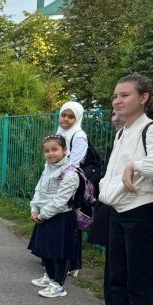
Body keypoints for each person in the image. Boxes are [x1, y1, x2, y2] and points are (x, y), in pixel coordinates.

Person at [96, 74, 153, 305]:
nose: (117, 101)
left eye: (124, 95)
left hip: (142, 214)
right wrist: (104, 190)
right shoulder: (123, 131)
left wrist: (136, 165)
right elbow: (113, 170)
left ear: (143, 98)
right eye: (115, 96)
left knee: (140, 282)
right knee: (118, 278)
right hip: (119, 212)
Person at [28, 135, 79, 299]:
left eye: (55, 149)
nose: (50, 154)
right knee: (44, 250)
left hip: (60, 217)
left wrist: (43, 214)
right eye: (46, 151)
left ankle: (58, 284)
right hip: (43, 215)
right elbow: (39, 189)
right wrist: (34, 208)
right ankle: (50, 277)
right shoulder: (48, 167)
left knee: (59, 252)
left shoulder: (70, 173)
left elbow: (60, 201)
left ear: (65, 150)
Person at [88, 111, 126, 305]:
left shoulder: (142, 137)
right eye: (113, 114)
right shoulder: (118, 139)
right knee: (112, 263)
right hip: (110, 205)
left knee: (122, 268)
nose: (116, 117)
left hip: (123, 206)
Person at [56, 101, 89, 275]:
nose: (66, 119)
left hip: (71, 185)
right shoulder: (60, 133)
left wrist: (60, 180)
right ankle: (57, 257)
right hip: (57, 182)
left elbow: (74, 164)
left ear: (77, 118)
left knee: (70, 223)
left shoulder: (79, 136)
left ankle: (72, 263)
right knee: (58, 221)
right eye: (64, 115)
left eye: (71, 117)